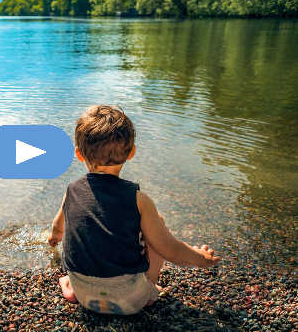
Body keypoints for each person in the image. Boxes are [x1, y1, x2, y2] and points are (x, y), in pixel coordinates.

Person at [48, 105, 221, 315]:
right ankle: (150, 289)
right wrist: (201, 258)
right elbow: (170, 249)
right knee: (156, 222)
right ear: (132, 153)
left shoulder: (72, 191)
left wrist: (53, 241)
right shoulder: (139, 200)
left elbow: (57, 229)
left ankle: (69, 286)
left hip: (84, 295)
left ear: (79, 154)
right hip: (130, 300)